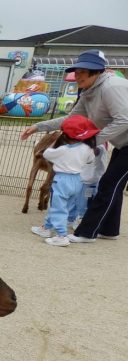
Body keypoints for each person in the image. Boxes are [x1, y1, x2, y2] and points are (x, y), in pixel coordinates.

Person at [21, 49, 128, 243]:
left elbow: (124, 119)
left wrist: (91, 142)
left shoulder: (110, 87)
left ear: (95, 71)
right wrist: (39, 126)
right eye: (76, 71)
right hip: (123, 144)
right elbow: (72, 119)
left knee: (108, 184)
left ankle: (87, 233)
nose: (76, 76)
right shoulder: (89, 91)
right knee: (113, 185)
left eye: (82, 71)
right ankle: (110, 230)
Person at [30, 115, 99, 247]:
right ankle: (47, 227)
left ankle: (61, 235)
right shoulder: (87, 149)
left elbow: (46, 154)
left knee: (57, 208)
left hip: (62, 181)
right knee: (63, 207)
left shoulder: (62, 150)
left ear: (65, 135)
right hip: (78, 180)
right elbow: (90, 160)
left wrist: (54, 142)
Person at [70, 142, 109, 228]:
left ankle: (81, 218)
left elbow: (94, 152)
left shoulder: (99, 147)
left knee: (84, 202)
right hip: (83, 177)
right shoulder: (97, 145)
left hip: (90, 180)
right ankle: (71, 218)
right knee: (76, 199)